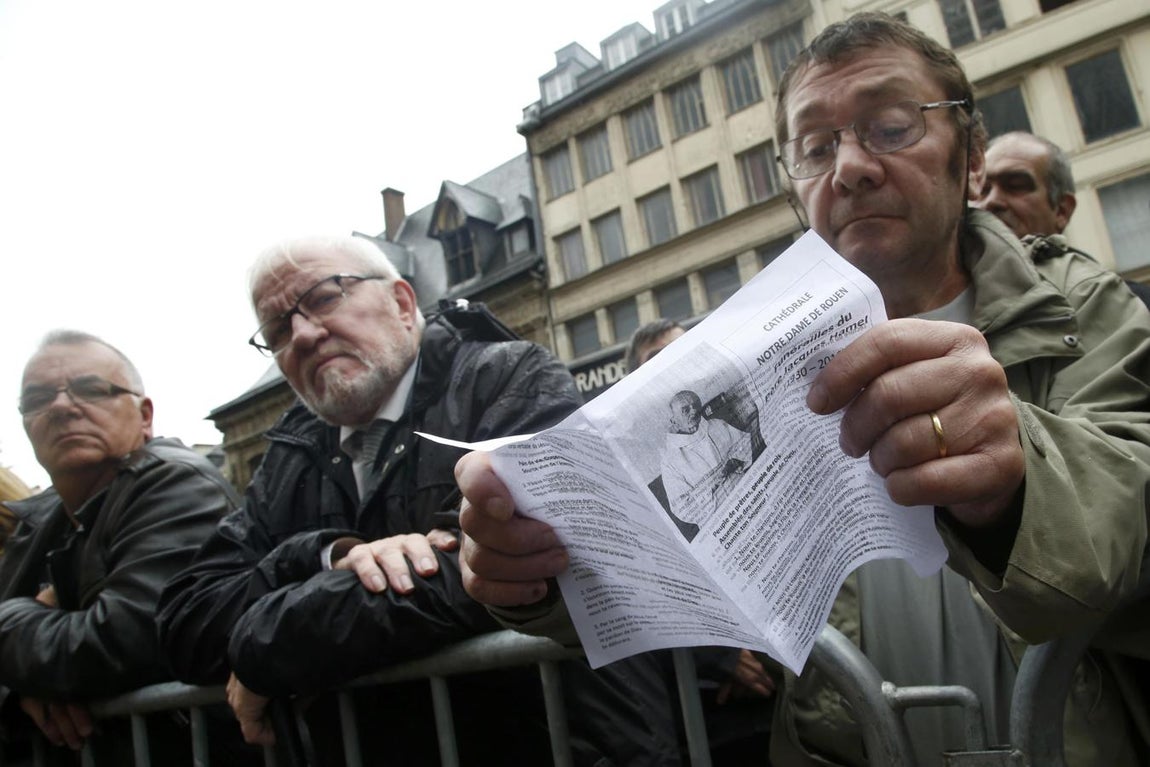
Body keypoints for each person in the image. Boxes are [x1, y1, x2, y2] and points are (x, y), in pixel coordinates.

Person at [455, 12, 1150, 766]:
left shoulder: (1082, 304)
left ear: (970, 151)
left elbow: (1132, 510)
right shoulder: (746, 350)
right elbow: (677, 568)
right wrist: (535, 570)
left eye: (889, 126)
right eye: (816, 147)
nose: (849, 166)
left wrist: (1015, 483)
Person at [156, 236, 683, 766]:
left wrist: (264, 641)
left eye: (322, 298)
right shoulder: (288, 457)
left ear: (403, 304)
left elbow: (499, 570)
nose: (303, 334)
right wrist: (324, 555)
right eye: (277, 329)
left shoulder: (508, 378)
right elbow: (187, 619)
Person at [0, 330, 239, 764]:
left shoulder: (176, 482)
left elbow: (119, 643)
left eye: (91, 389)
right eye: (37, 399)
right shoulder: (39, 523)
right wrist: (20, 689)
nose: (61, 406)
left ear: (145, 415)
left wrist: (11, 619)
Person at [975, 130, 1150, 308]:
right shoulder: (955, 310)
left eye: (1015, 186)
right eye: (983, 189)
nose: (992, 201)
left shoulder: (1134, 308)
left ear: (1061, 210)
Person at [661, 390, 753, 528]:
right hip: (722, 522)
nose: (694, 411)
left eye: (696, 405)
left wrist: (737, 461)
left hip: (750, 496)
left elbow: (747, 444)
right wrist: (713, 488)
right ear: (673, 420)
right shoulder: (670, 461)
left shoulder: (717, 425)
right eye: (685, 410)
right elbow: (682, 508)